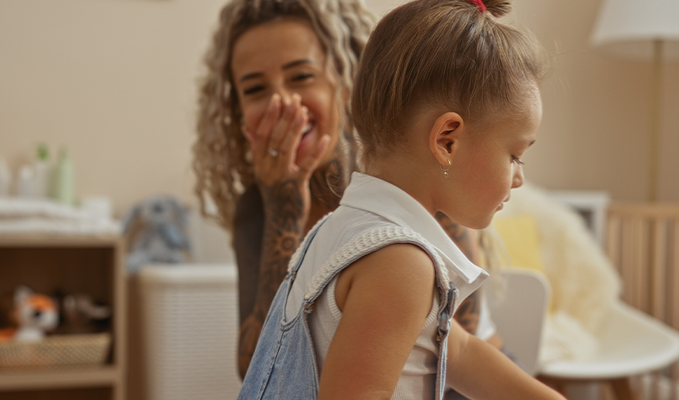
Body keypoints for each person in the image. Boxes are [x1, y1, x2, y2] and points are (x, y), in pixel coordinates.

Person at [236, 0, 564, 398]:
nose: (518, 177)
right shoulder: (399, 262)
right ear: (447, 141)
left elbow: (455, 349)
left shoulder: (339, 230)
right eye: (514, 155)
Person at [192, 0, 502, 379]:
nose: (283, 102)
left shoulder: (413, 179)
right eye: (255, 89)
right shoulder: (257, 208)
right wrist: (282, 210)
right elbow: (259, 369)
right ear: (238, 112)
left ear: (343, 83)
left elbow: (456, 355)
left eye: (301, 77)